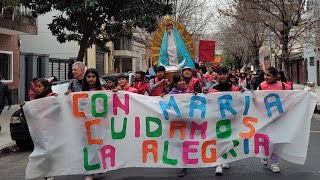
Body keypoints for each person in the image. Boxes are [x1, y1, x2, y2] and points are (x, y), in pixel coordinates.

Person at [205, 66, 240, 176]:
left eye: (224, 74)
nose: (222, 76)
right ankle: (218, 163)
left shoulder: (235, 89)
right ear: (217, 75)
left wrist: (243, 92)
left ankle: (225, 159)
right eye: (220, 74)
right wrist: (205, 94)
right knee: (218, 140)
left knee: (228, 140)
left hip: (230, 119)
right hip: (217, 119)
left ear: (228, 75)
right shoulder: (213, 89)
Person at [258, 67, 291, 173]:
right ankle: (265, 155)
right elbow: (256, 99)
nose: (266, 77)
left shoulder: (283, 86)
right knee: (266, 139)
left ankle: (274, 162)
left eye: (268, 75)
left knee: (276, 140)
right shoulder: (261, 86)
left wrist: (305, 93)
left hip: (279, 117)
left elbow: (293, 95)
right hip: (265, 118)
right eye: (265, 75)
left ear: (275, 76)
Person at [80, 68, 104, 180]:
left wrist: (114, 93)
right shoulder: (80, 93)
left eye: (93, 77)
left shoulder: (103, 91)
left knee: (98, 147)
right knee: (88, 147)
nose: (91, 79)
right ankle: (89, 171)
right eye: (88, 77)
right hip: (86, 125)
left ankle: (97, 168)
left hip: (99, 125)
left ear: (97, 78)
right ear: (85, 78)